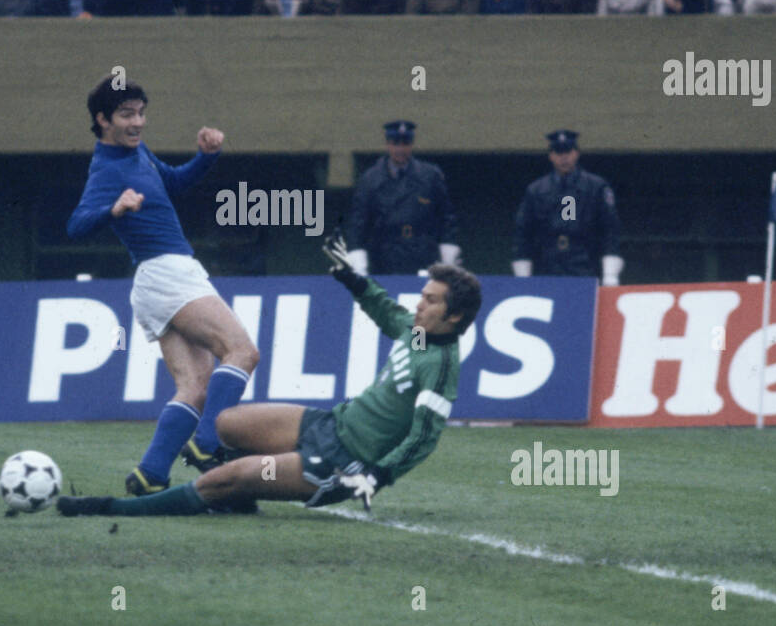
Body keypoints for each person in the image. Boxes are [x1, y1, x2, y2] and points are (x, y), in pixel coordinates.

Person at [56, 246, 481, 519]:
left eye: (430, 300)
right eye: (422, 295)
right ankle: (242, 496)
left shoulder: (442, 366)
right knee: (223, 424)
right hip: (328, 423)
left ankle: (111, 508)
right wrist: (352, 278)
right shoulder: (419, 331)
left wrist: (377, 476)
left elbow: (424, 438)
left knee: (218, 481)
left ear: (455, 316)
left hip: (341, 463)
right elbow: (386, 310)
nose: (419, 304)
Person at [66, 77, 259, 495]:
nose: (138, 122)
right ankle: (208, 445)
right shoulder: (107, 168)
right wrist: (113, 210)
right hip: (169, 273)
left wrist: (206, 157)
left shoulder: (138, 153)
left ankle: (150, 474)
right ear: (102, 120)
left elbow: (173, 182)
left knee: (196, 388)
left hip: (156, 280)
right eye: (126, 114)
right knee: (242, 351)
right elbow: (76, 225)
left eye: (140, 112)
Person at [344, 120, 459, 275]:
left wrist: (448, 253)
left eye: (405, 143)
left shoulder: (429, 176)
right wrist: (358, 259)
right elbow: (358, 223)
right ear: (387, 144)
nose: (400, 149)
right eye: (395, 143)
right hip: (384, 258)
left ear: (411, 145)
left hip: (423, 255)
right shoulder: (370, 179)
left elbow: (446, 217)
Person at [512, 130, 621, 283]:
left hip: (585, 264)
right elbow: (523, 232)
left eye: (568, 152)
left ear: (576, 153)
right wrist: (523, 276)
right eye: (558, 152)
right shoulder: (536, 190)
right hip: (547, 266)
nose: (564, 158)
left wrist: (610, 274)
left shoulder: (595, 186)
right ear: (551, 156)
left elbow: (610, 230)